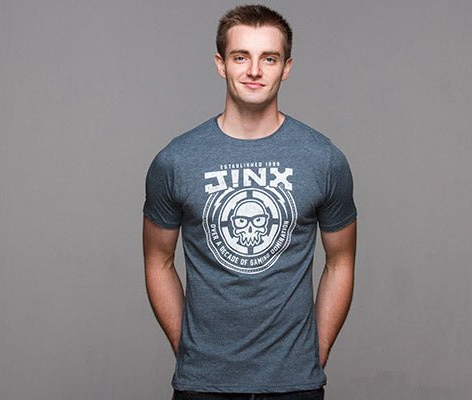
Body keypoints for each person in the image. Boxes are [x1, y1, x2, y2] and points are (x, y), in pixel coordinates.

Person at [142, 4, 357, 399]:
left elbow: (341, 262)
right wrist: (188, 351)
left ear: (286, 67)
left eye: (268, 58)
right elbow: (157, 261)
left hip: (296, 385)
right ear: (220, 64)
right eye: (241, 57)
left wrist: (314, 354)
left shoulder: (323, 159)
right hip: (201, 385)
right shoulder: (176, 161)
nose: (254, 70)